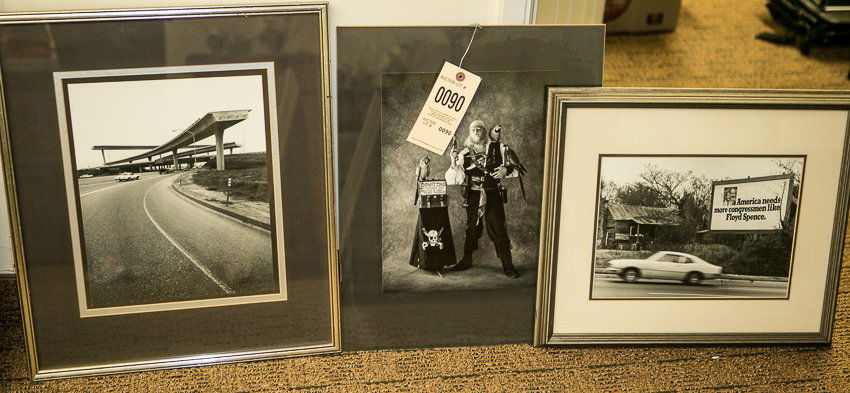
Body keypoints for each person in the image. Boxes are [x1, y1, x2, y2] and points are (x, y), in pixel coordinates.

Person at [447, 120, 519, 278]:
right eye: (474, 129)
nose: (477, 132)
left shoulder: (498, 148)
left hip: (493, 194)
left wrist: (505, 169)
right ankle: (466, 260)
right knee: (472, 228)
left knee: (498, 227)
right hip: (473, 194)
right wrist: (453, 161)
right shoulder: (464, 153)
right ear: (470, 133)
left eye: (480, 129)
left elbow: (516, 168)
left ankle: (508, 264)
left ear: (485, 132)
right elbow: (454, 178)